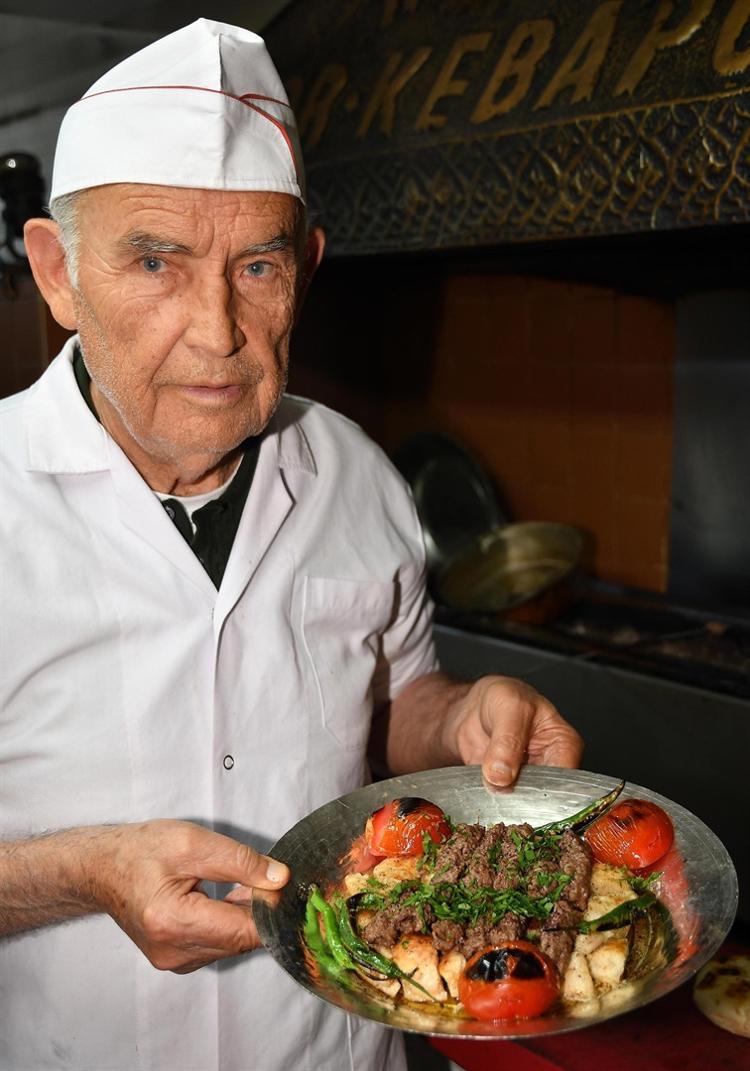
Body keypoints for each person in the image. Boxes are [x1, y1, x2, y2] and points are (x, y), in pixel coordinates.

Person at [0, 18, 583, 1071]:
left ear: (305, 269)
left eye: (258, 265)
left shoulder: (356, 471)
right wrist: (77, 873)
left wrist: (459, 718)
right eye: (155, 261)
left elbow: (391, 702)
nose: (218, 330)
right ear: (57, 272)